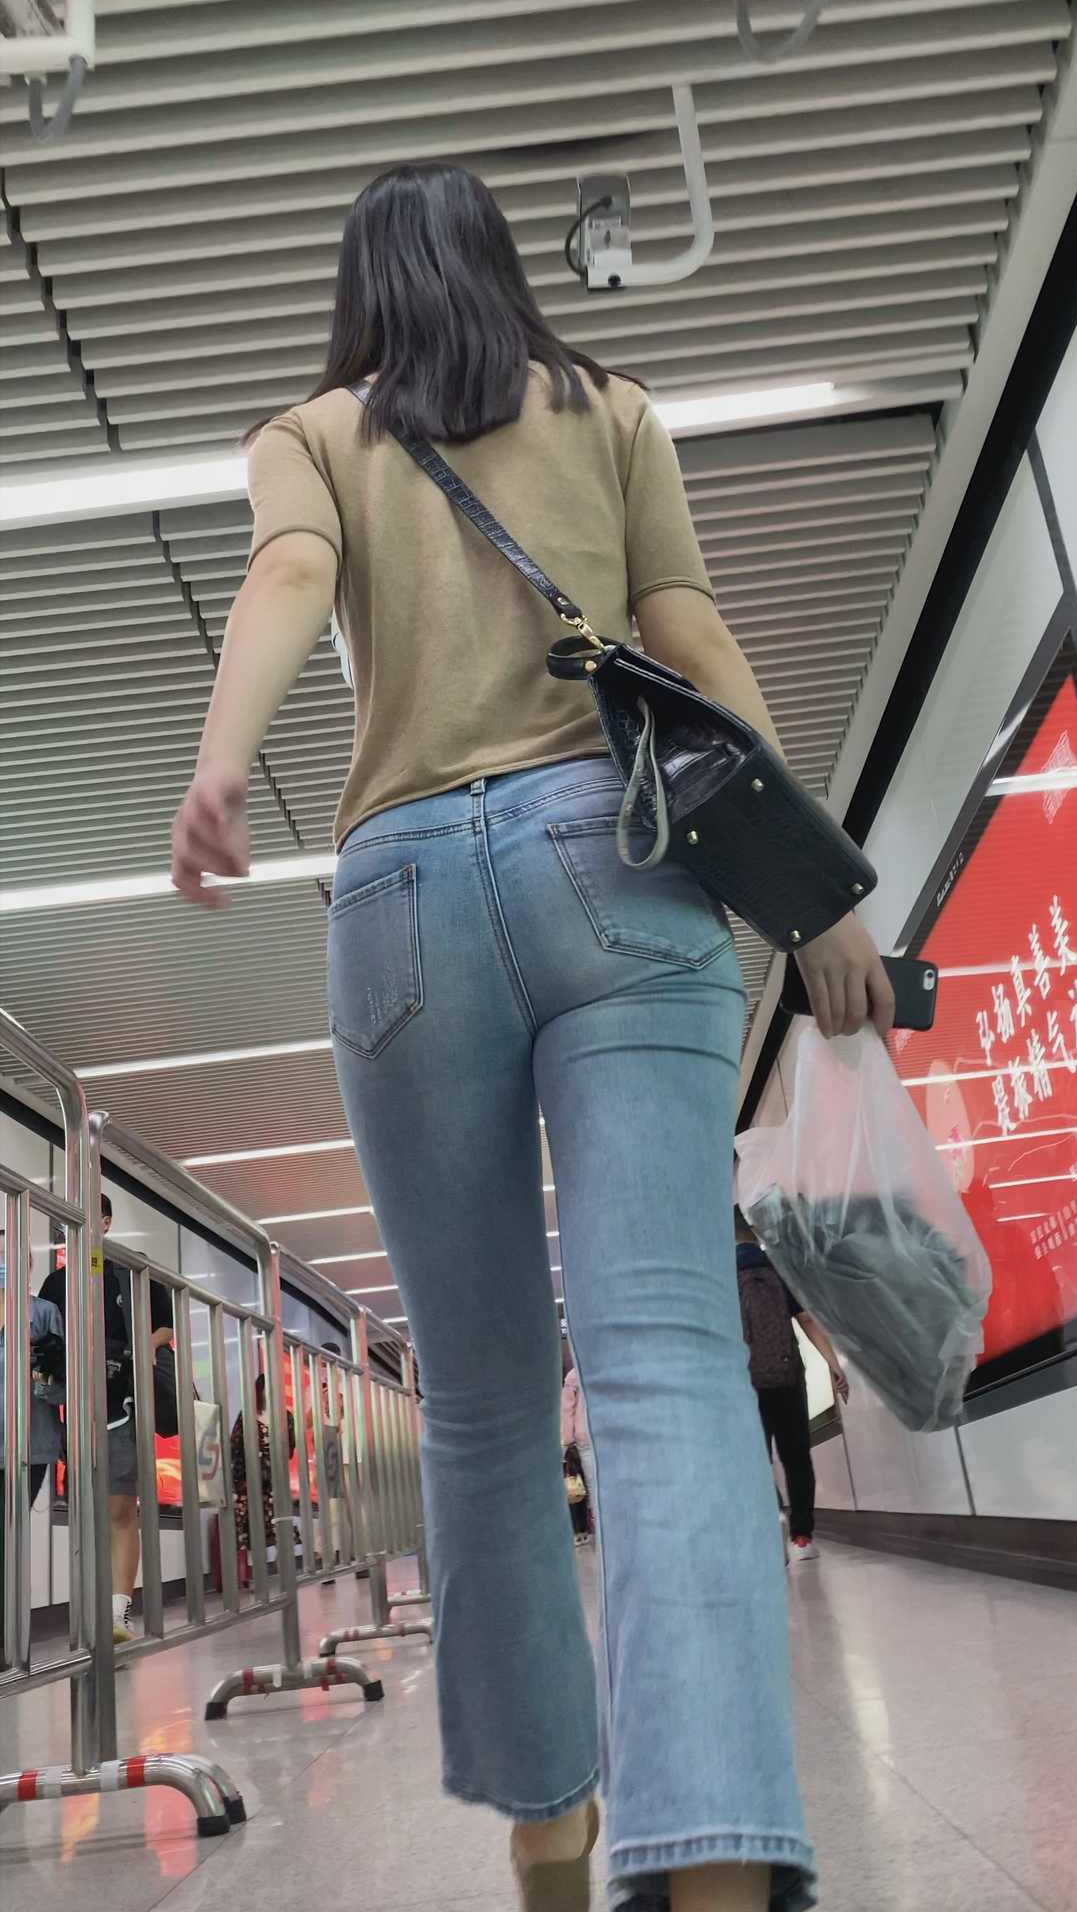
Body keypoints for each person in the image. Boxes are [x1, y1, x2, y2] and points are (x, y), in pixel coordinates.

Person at [171, 164, 893, 1912]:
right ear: (502, 269)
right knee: (662, 1369)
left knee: (488, 1406)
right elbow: (690, 633)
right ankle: (715, 1866)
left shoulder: (312, 433)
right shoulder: (611, 408)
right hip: (617, 860)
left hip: (405, 894)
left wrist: (221, 763)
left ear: (361, 291)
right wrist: (821, 892)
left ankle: (549, 1852)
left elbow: (290, 570)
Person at [40, 1193, 174, 1643]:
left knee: (119, 1508)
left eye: (85, 1216)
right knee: (88, 1512)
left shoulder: (132, 1271)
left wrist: (142, 1347)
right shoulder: (56, 1283)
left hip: (122, 1405)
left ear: (106, 1222)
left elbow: (165, 1325)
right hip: (75, 1410)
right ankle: (93, 1607)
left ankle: (118, 1612)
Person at [734, 1210, 850, 1564]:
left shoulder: (720, 1274)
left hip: (744, 1380)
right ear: (754, 1231)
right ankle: (802, 1538)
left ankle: (773, 1519)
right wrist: (833, 1364)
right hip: (787, 1375)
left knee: (755, 1458)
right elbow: (807, 1319)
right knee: (796, 1456)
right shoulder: (777, 1267)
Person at [0, 1261, 65, 1652]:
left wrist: (39, 1376)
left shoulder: (43, 1314)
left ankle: (7, 1640)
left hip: (28, 1445)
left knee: (8, 1538)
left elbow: (64, 1388)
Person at [230, 1371, 296, 1572]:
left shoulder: (286, 1417)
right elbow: (235, 1446)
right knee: (247, 1523)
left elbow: (290, 1449)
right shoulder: (248, 1415)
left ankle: (281, 1560)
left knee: (278, 1519)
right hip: (249, 1478)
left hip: (274, 1479)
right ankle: (250, 1568)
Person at [561, 1362, 595, 1542]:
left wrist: (567, 1442)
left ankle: (596, 1525)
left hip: (585, 1438)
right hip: (605, 1435)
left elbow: (566, 1410)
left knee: (591, 1485)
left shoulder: (574, 1375)